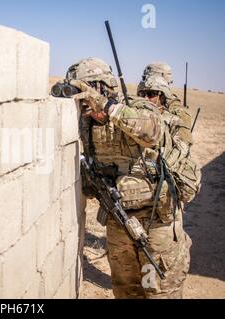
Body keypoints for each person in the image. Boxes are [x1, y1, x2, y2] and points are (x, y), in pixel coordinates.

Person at [68, 57, 194, 298]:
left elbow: (153, 131)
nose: (82, 100)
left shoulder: (137, 108)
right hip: (119, 223)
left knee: (159, 291)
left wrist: (107, 108)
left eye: (85, 90)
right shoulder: (86, 127)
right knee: (125, 291)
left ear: (102, 87)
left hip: (157, 223)